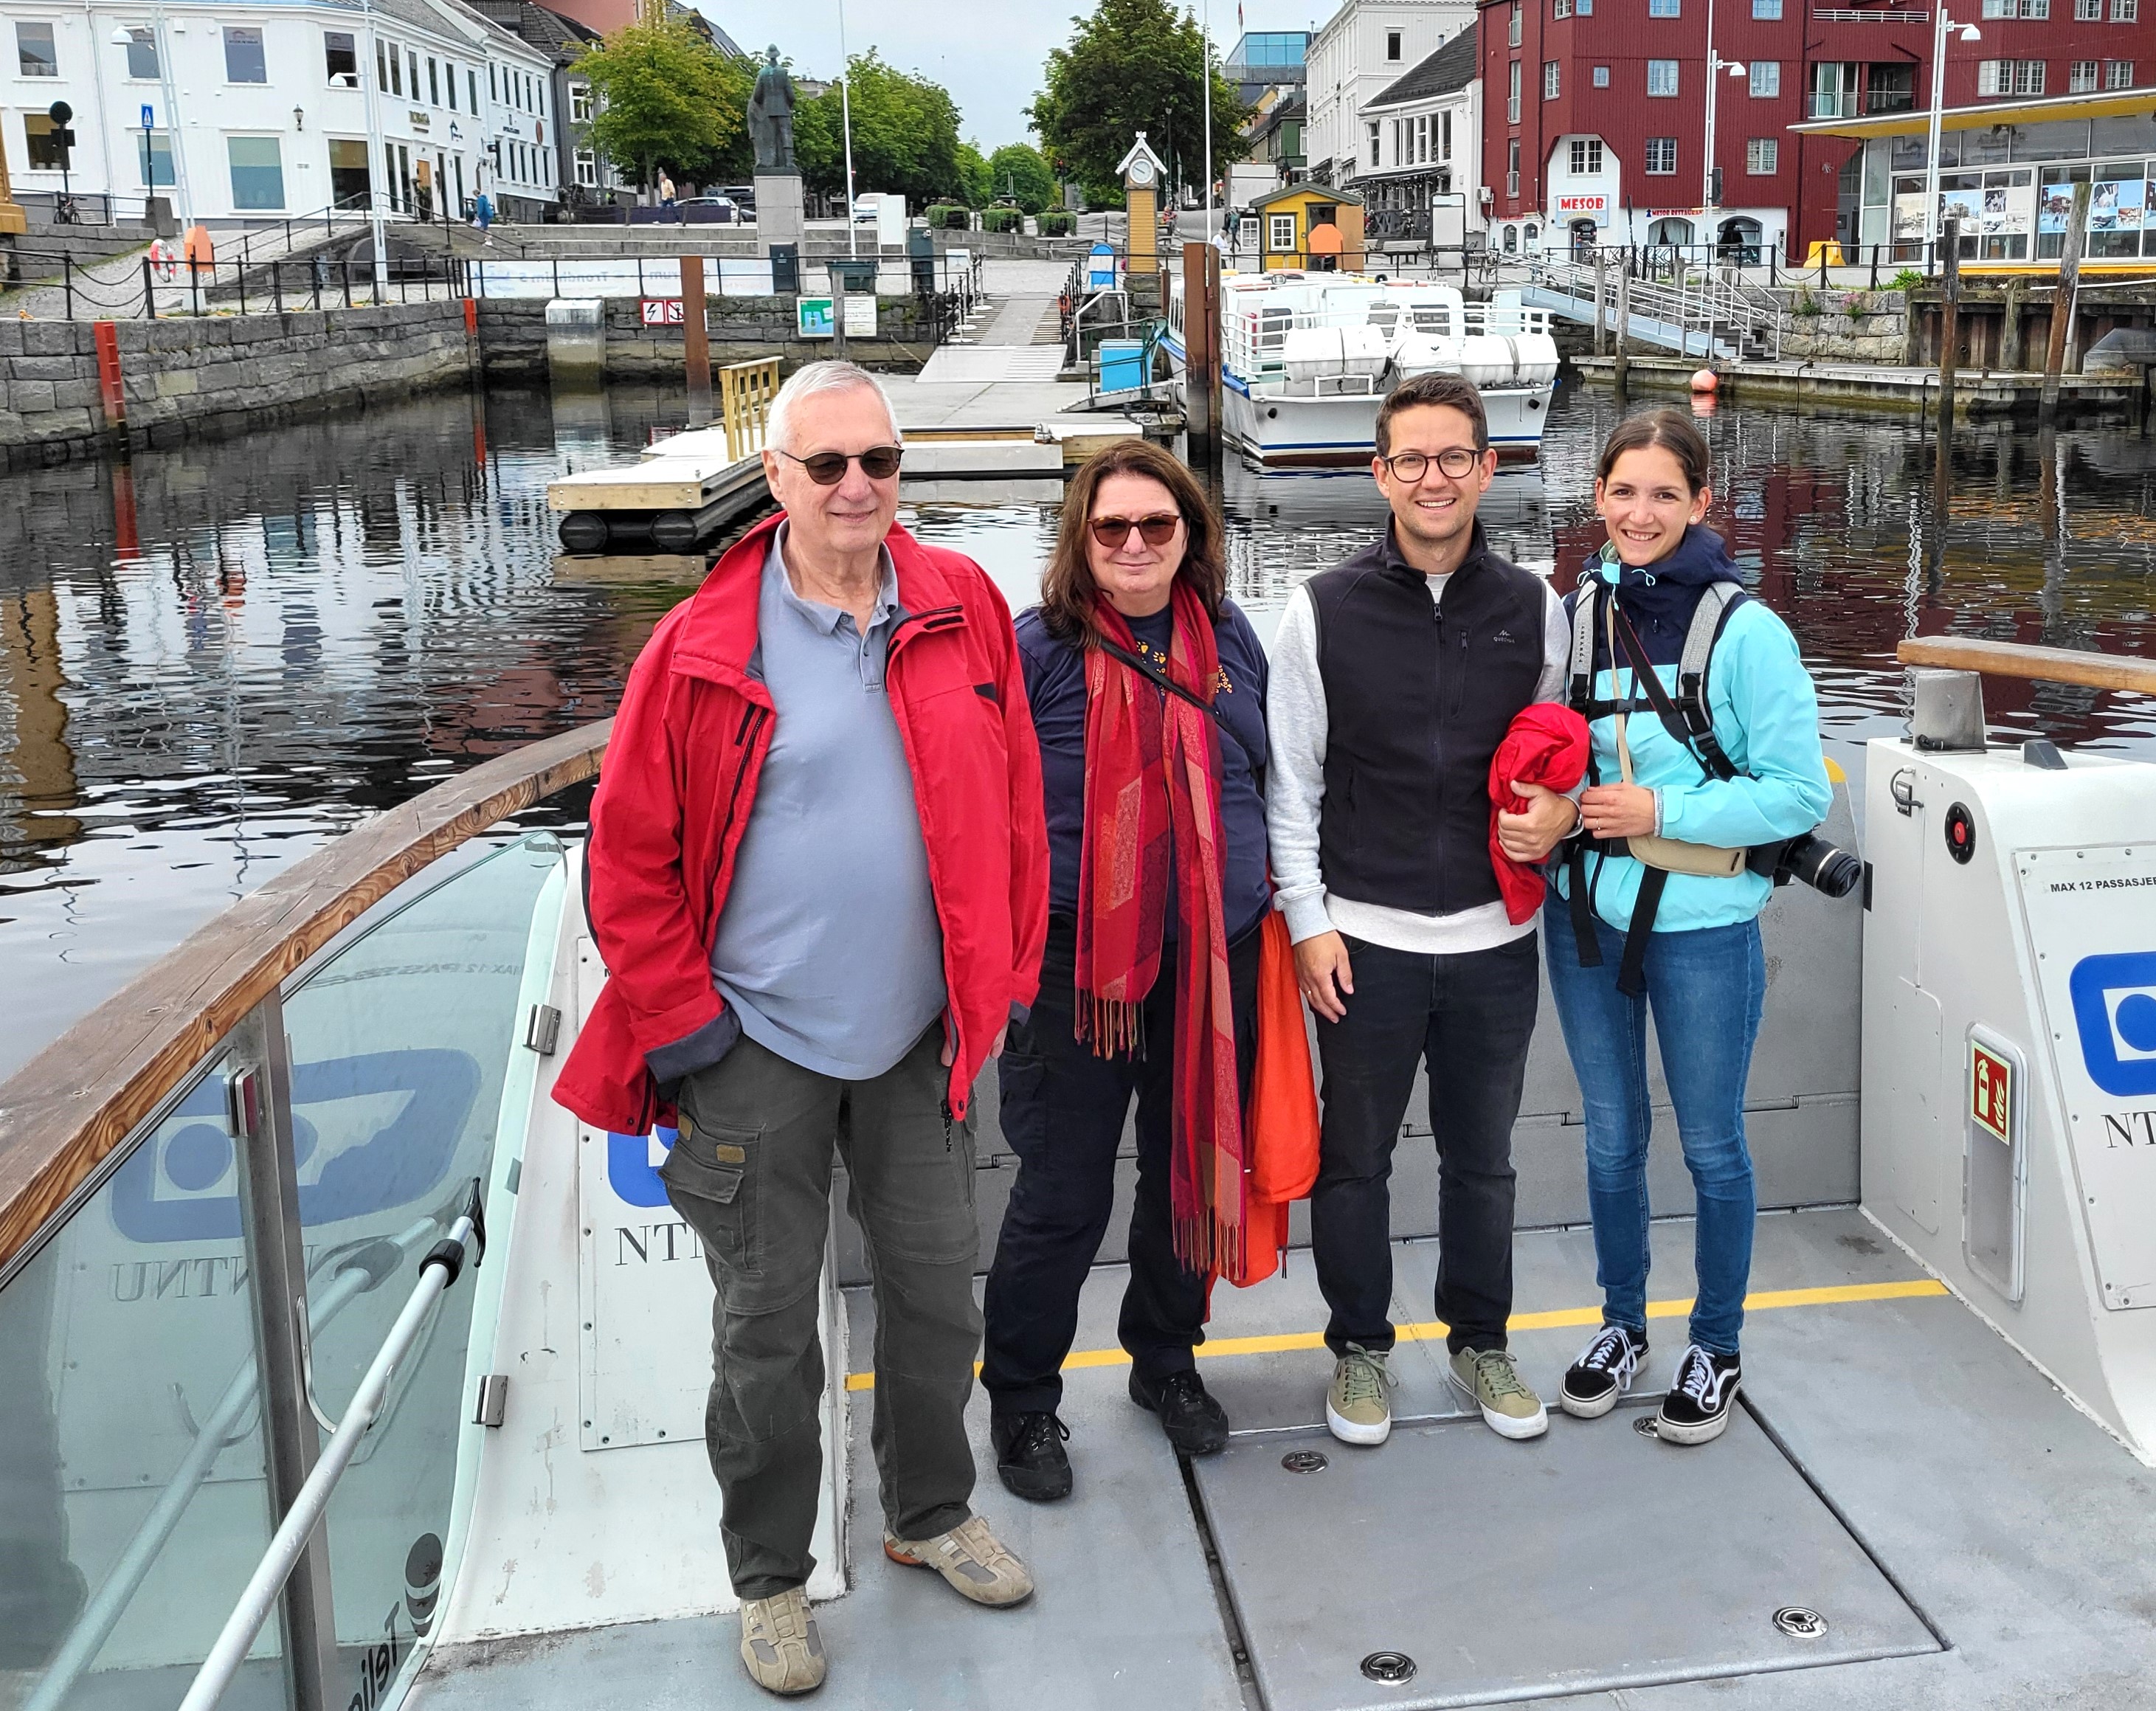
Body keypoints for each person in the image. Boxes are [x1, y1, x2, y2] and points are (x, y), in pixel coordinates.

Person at [553, 360, 1048, 1697]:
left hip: (921, 1038)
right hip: (754, 1040)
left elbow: (1010, 808)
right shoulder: (703, 646)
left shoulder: (959, 605)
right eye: (824, 465)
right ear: (773, 480)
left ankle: (929, 1513)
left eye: (877, 462)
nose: (855, 488)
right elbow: (629, 856)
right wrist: (687, 1027)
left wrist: (994, 981)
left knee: (938, 1300)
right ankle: (769, 1577)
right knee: (767, 1324)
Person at [1266, 370, 1571, 1448]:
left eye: (1454, 457)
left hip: (1496, 942)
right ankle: (1359, 1350)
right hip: (1366, 942)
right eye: (1411, 459)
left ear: (1489, 467)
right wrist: (1308, 923)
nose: (1433, 479)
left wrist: (1561, 814)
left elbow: (1550, 763)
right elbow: (1292, 785)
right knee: (1356, 1160)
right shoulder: (1321, 611)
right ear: (1379, 472)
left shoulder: (1537, 608)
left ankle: (1479, 1342)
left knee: (1481, 1158)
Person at [980, 440, 1272, 1503]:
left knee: (1186, 1168)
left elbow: (1268, 774)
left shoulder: (1231, 640)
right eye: (1114, 528)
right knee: (1061, 1192)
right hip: (1080, 970)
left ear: (1192, 535)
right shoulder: (1038, 651)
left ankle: (1165, 1362)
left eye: (1159, 525)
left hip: (1215, 961)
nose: (1137, 543)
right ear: (1082, 541)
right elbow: (979, 807)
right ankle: (1021, 1402)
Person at [1533, 411, 1831, 1445]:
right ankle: (1624, 1326)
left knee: (1711, 1145)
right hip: (1586, 928)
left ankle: (1717, 1343)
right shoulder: (1573, 616)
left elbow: (1795, 795)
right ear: (1598, 499)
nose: (1641, 514)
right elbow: (1544, 751)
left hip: (1703, 930)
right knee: (1612, 1140)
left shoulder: (1750, 633)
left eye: (1665, 494)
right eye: (1623, 493)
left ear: (1702, 502)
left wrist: (1663, 814)